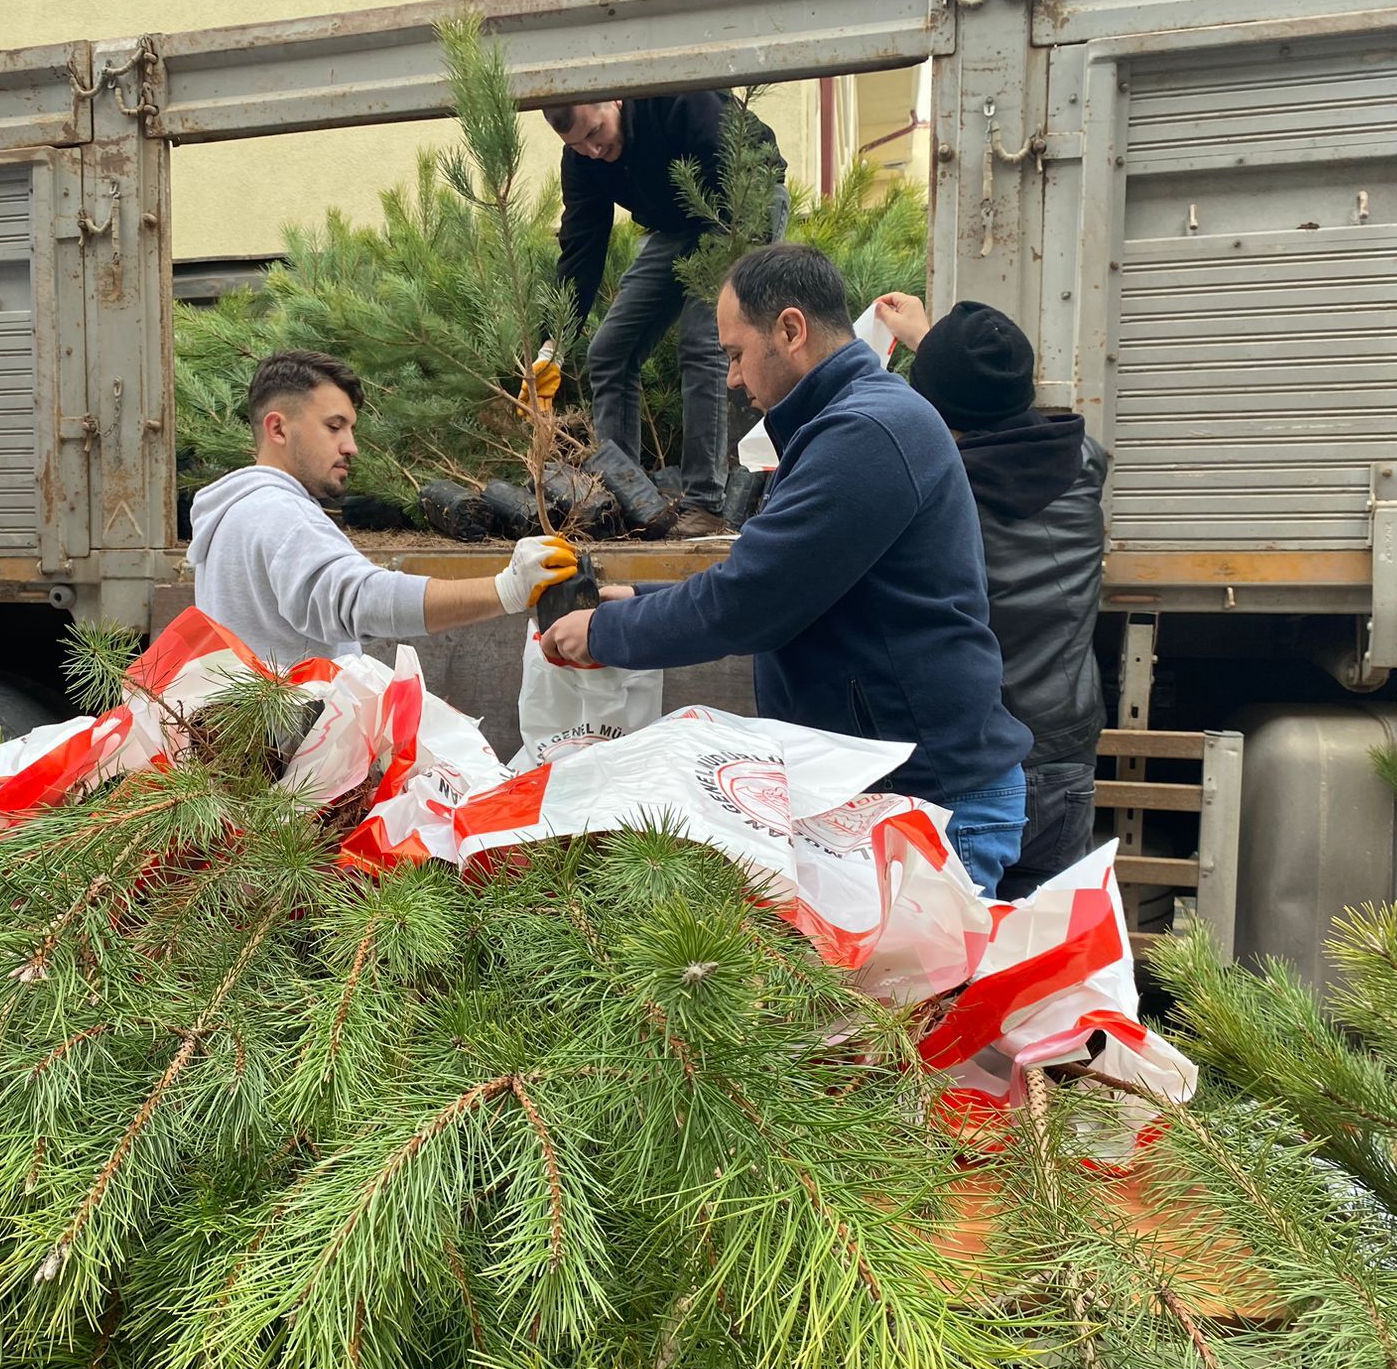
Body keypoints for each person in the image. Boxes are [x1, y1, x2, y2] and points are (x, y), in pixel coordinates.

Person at [541, 246, 1033, 896]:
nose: (732, 379)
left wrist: (604, 630)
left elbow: (751, 602)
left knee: (911, 1001)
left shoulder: (866, 433)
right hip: (890, 791)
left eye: (736, 353)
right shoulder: (849, 423)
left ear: (791, 331)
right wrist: (641, 596)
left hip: (929, 803)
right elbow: (797, 580)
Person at [873, 293, 1106, 899]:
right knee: (1035, 969)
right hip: (1066, 759)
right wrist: (937, 347)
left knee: (952, 978)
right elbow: (988, 413)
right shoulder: (1080, 468)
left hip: (979, 769)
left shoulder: (935, 491)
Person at [188, 350, 578, 671]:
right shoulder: (280, 512)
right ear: (278, 429)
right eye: (334, 426)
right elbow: (360, 600)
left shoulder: (233, 513)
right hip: (301, 755)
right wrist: (505, 590)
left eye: (351, 429)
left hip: (255, 751)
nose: (351, 446)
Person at [535, 93, 788, 537]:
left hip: (740, 209)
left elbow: (749, 169)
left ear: (614, 99)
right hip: (675, 230)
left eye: (595, 134)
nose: (593, 152)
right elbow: (582, 246)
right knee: (609, 350)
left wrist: (736, 257)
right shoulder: (583, 161)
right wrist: (552, 346)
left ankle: (706, 505)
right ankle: (622, 499)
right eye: (578, 145)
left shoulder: (678, 101)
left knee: (703, 339)